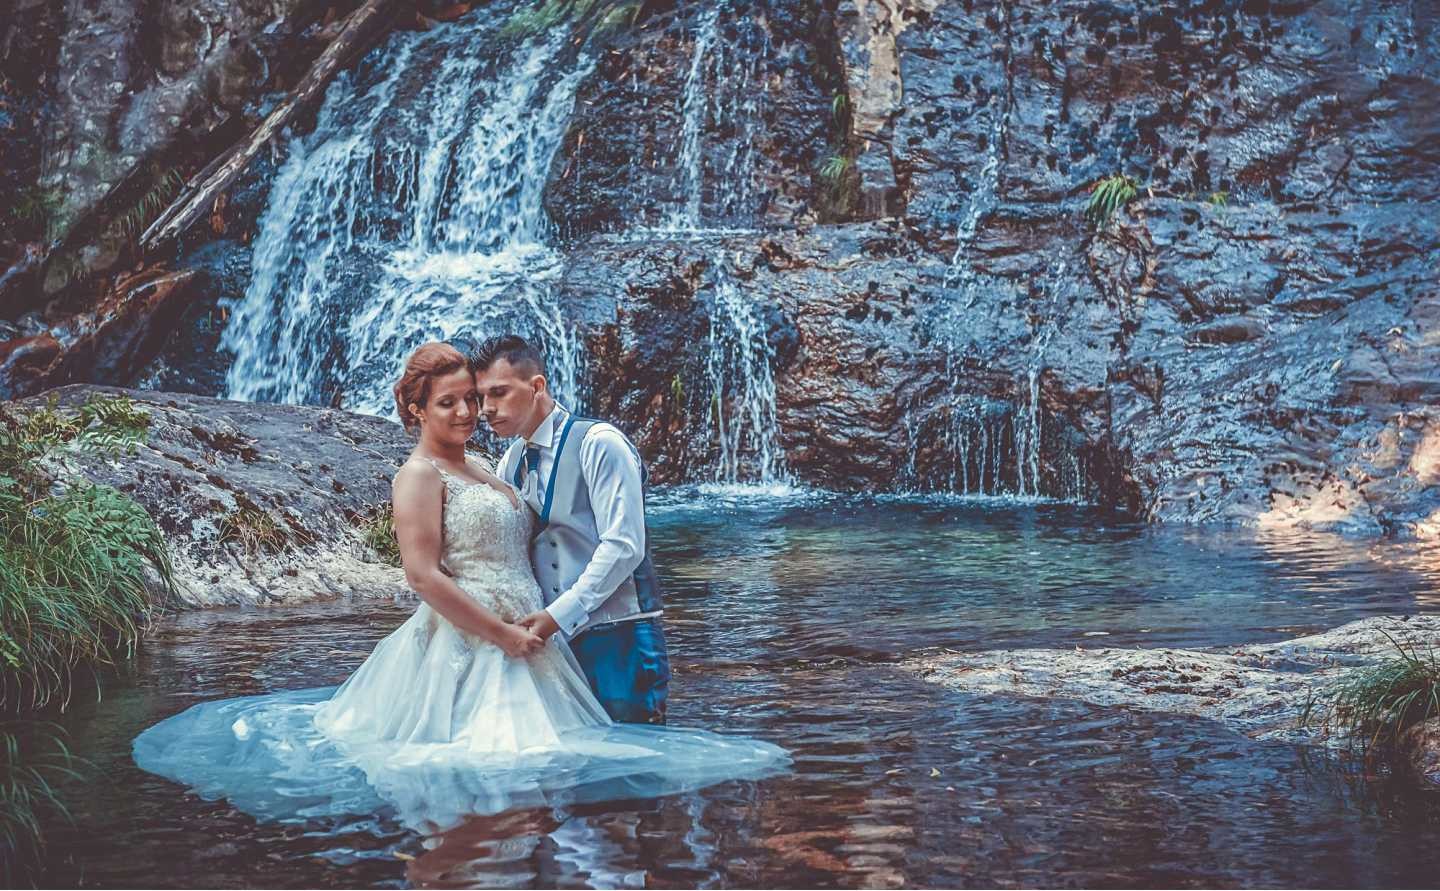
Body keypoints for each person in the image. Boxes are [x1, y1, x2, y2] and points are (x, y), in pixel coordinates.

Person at [131, 342, 786, 832]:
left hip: (572, 632)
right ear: (417, 409)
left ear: (535, 386)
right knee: (515, 768)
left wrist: (545, 620)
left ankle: (601, 857)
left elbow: (618, 545)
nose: (475, 410)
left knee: (615, 766)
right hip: (498, 638)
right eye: (457, 401)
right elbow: (422, 574)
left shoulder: (530, 455)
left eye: (480, 397)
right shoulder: (439, 470)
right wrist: (504, 631)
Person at [475, 334, 669, 724]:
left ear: (537, 386)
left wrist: (558, 615)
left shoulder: (599, 444)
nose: (486, 410)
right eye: (481, 397)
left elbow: (624, 546)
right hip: (552, 644)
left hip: (619, 635)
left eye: (498, 393)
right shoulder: (511, 462)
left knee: (635, 754)